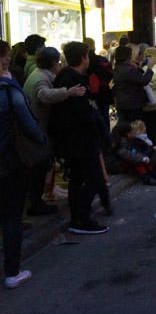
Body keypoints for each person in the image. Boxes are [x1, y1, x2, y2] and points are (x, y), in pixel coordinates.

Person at [1, 40, 48, 289]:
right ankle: (12, 272)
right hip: (9, 161)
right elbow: (28, 124)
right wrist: (42, 142)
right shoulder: (8, 90)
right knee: (11, 216)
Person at [49, 42, 109, 235]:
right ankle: (82, 217)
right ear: (84, 57)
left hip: (71, 140)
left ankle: (78, 218)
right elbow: (82, 113)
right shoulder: (74, 80)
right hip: (81, 140)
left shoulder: (64, 76)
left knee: (77, 178)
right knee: (93, 178)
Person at [22, 46, 85, 216]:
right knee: (39, 167)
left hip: (37, 127)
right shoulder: (41, 78)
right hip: (38, 128)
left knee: (41, 166)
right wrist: (68, 92)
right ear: (52, 62)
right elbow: (44, 95)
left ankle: (38, 200)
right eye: (57, 61)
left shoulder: (38, 74)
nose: (59, 65)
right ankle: (36, 202)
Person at [113, 45, 154, 123]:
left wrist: (139, 67)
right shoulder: (129, 69)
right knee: (135, 125)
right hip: (133, 103)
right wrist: (149, 68)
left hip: (121, 102)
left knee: (125, 124)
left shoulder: (117, 68)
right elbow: (143, 81)